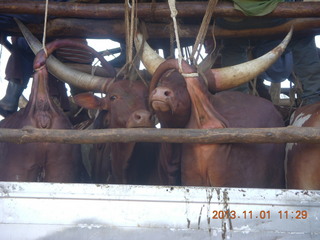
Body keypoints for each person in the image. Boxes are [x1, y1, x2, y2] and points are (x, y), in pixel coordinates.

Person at [215, 0, 320, 106]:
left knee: (233, 46)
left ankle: (237, 100)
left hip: (232, 18)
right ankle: (313, 97)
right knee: (302, 36)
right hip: (276, 14)